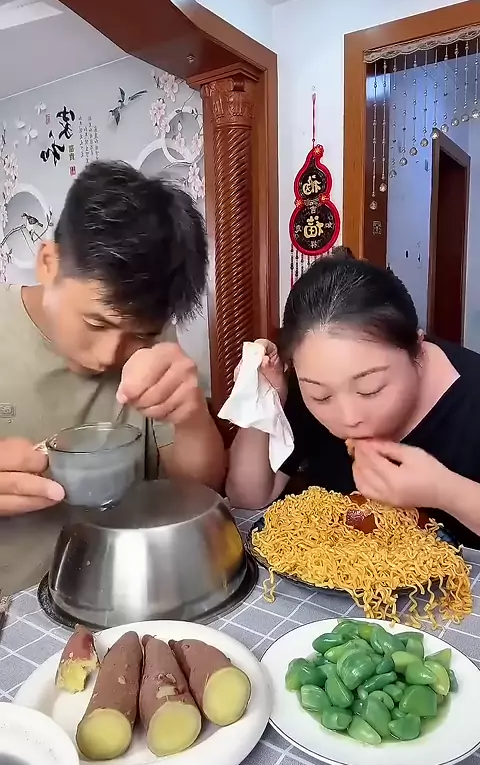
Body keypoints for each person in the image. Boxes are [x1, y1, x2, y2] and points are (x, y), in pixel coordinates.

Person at [0, 160, 225, 593]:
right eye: (96, 322)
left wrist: (191, 416)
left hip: (128, 594)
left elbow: (201, 487)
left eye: (137, 335)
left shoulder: (155, 342)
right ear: (48, 263)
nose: (109, 356)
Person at [226, 253, 480, 548]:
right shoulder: (315, 377)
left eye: (370, 388)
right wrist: (264, 397)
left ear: (418, 348)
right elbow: (247, 497)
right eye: (321, 396)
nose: (348, 418)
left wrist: (445, 491)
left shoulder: (472, 394)